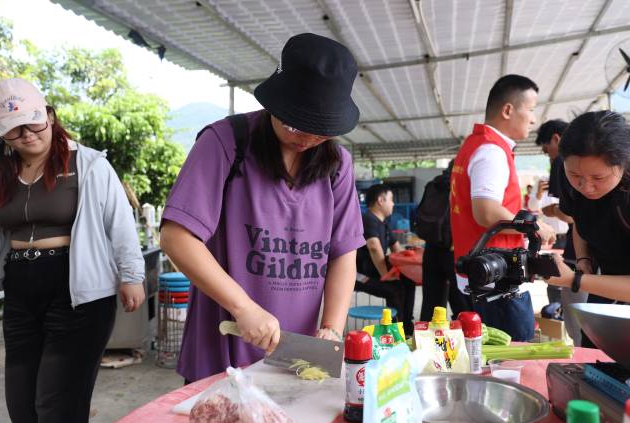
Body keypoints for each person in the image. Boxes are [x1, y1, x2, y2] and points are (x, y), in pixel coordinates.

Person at [159, 33, 365, 382]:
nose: (306, 139)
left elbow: (344, 252)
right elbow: (176, 236)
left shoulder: (337, 164)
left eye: (320, 131)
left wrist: (331, 327)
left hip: (298, 355)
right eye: (295, 123)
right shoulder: (225, 142)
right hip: (224, 347)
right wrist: (244, 308)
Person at [0, 78, 145, 423]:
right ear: (0, 135)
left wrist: (132, 275)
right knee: (22, 405)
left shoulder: (88, 164)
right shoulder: (0, 173)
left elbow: (118, 222)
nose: (27, 133)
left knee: (57, 404)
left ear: (49, 115)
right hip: (20, 288)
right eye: (13, 129)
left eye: (34, 121)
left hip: (76, 290)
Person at [450, 74, 555, 341]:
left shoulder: (476, 145)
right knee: (514, 358)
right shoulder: (492, 151)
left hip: (484, 272)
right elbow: (485, 211)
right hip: (497, 279)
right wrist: (534, 224)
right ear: (508, 110)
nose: (533, 119)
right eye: (530, 110)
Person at [547, 111, 630, 344]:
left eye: (598, 177)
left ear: (622, 163)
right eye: (575, 174)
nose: (586, 186)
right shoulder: (570, 181)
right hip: (607, 288)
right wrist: (584, 262)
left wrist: (574, 280)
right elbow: (579, 223)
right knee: (594, 351)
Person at [534, 119, 587, 345]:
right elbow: (580, 222)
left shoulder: (564, 162)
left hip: (579, 262)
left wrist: (578, 277)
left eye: (548, 153)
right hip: (579, 258)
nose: (587, 186)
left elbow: (575, 218)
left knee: (580, 325)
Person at [355, 184, 416, 335]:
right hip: (360, 276)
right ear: (380, 201)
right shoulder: (367, 219)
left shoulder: (383, 223)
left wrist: (409, 265)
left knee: (408, 281)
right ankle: (396, 332)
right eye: (391, 199)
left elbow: (396, 248)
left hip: (376, 272)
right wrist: (386, 275)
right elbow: (374, 247)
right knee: (394, 290)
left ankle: (407, 326)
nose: (393, 203)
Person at [417, 161, 471, 322]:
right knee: (463, 305)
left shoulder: (433, 184)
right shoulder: (463, 185)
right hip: (456, 251)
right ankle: (464, 341)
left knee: (431, 305)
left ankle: (426, 342)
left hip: (431, 248)